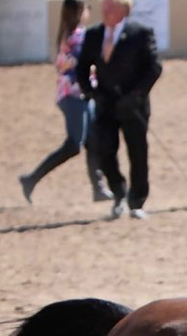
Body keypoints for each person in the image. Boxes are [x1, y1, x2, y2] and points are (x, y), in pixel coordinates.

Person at [19, 0, 112, 204]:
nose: (89, 11)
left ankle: (98, 188)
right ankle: (31, 179)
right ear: (79, 12)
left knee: (93, 142)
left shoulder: (68, 35)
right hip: (74, 96)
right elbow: (85, 67)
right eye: (86, 8)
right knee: (74, 145)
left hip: (77, 95)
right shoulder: (79, 37)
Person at [76, 0, 162, 220]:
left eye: (110, 7)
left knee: (138, 153)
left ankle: (137, 201)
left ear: (124, 10)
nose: (105, 10)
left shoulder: (140, 33)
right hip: (106, 104)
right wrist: (91, 92)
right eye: (104, 6)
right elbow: (82, 66)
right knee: (103, 149)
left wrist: (137, 94)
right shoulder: (94, 34)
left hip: (133, 105)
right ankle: (118, 192)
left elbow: (154, 67)